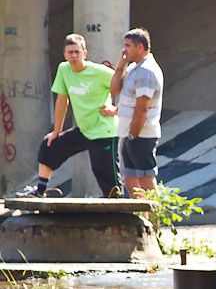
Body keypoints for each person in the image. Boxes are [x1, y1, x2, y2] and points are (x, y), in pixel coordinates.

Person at [16, 34, 120, 198]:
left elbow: (127, 84)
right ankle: (40, 191)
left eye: (77, 52)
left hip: (103, 132)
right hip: (84, 130)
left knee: (106, 179)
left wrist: (116, 109)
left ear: (84, 53)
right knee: (49, 145)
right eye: (70, 52)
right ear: (64, 54)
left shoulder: (99, 72)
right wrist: (57, 131)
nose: (73, 56)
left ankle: (120, 211)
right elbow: (61, 102)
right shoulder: (64, 69)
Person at [109, 28, 164, 199]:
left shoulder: (146, 71)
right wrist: (120, 66)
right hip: (129, 133)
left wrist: (133, 134)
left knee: (146, 180)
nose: (124, 50)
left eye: (128, 46)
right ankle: (141, 219)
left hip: (141, 134)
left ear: (140, 47)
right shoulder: (134, 67)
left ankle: (155, 222)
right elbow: (115, 90)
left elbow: (142, 108)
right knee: (131, 180)